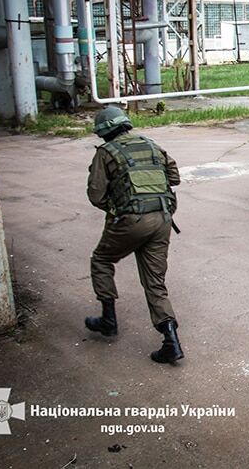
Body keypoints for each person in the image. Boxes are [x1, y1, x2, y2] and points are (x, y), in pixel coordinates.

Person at [84, 106, 184, 364]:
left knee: (101, 260)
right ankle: (170, 340)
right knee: (154, 281)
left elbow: (96, 195)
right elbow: (174, 177)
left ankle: (108, 320)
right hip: (162, 219)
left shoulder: (106, 153)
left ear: (105, 132)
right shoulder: (151, 145)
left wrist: (118, 205)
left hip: (131, 220)